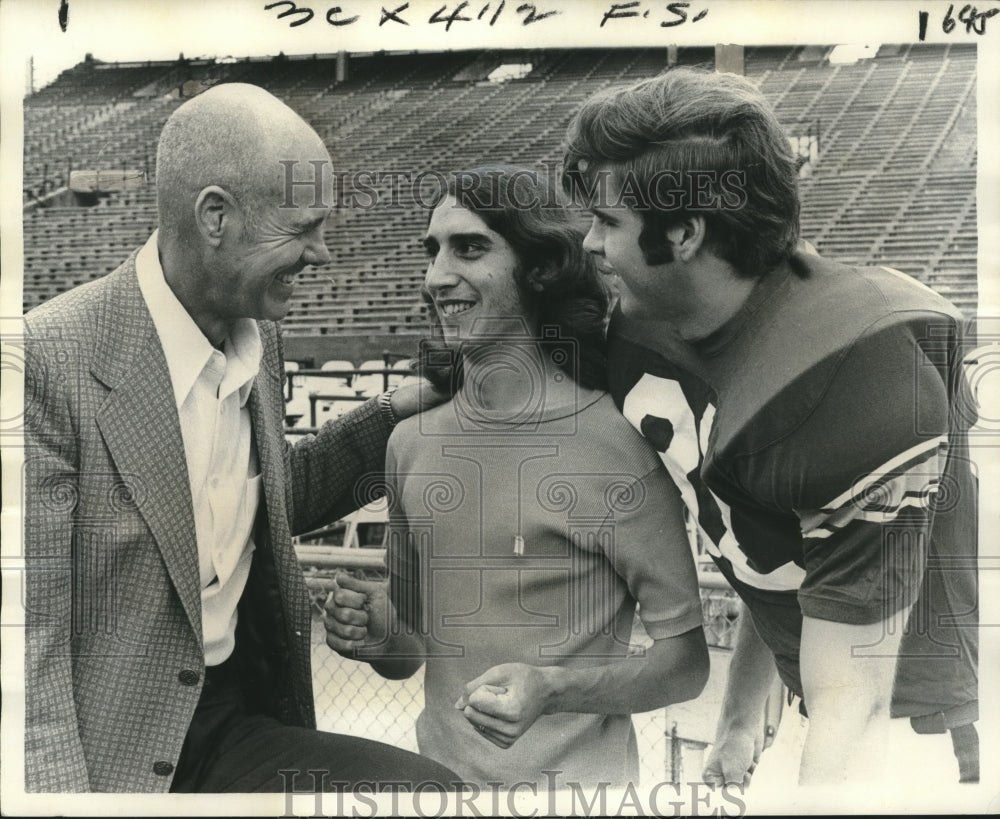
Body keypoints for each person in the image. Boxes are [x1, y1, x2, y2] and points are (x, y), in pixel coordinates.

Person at [22, 82, 459, 793]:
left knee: (433, 795)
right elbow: (25, 642)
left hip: (230, 723)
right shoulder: (47, 359)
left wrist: (396, 411)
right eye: (302, 227)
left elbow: (270, 495)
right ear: (215, 216)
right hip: (109, 760)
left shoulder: (260, 333)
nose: (323, 254)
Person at [561, 67, 979, 788]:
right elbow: (774, 546)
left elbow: (858, 695)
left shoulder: (847, 376)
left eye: (607, 222)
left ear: (685, 232)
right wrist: (737, 721)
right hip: (809, 700)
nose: (589, 244)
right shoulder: (646, 325)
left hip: (912, 744)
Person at [324, 167, 709, 790]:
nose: (437, 276)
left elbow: (685, 665)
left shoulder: (617, 445)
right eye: (432, 251)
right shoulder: (411, 443)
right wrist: (377, 634)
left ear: (539, 268)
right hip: (439, 791)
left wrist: (552, 690)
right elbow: (411, 652)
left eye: (469, 248)